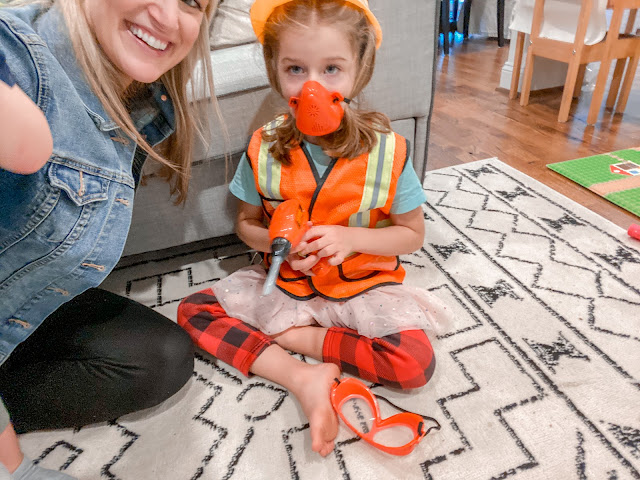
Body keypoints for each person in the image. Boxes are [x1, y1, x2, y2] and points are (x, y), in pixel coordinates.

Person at [177, 0, 453, 458]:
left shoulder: (389, 152)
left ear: (360, 69)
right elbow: (245, 223)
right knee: (194, 312)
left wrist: (351, 239)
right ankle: (302, 375)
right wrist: (277, 245)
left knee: (412, 364)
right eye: (295, 69)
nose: (312, 85)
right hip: (290, 282)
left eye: (331, 69)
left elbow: (412, 235)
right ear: (274, 69)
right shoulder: (263, 147)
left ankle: (288, 338)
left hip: (361, 283)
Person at [0, 0, 219, 478]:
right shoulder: (17, 57)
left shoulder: (147, 102)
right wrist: (11, 466)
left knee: (161, 357)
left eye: (192, 1)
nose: (167, 16)